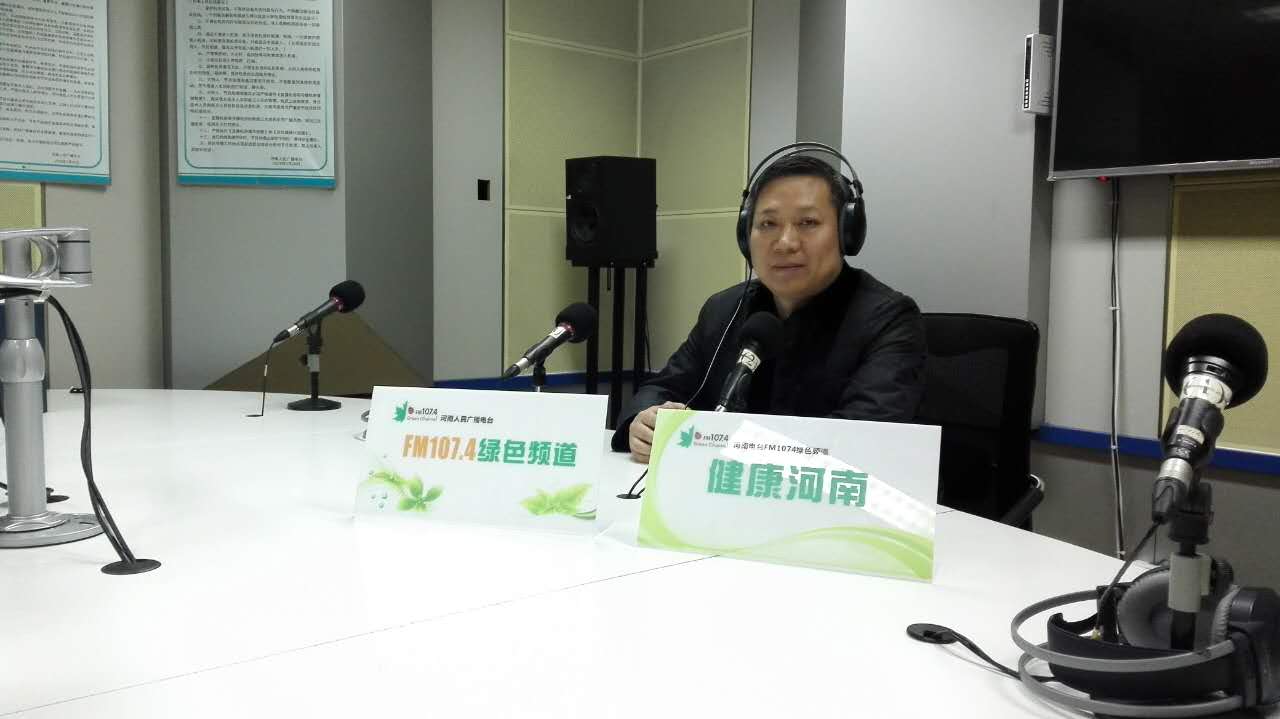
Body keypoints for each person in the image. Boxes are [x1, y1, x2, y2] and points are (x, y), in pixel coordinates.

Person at [613, 150, 926, 463]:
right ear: (745, 236)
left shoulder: (888, 320)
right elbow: (661, 388)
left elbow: (862, 439)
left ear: (847, 233)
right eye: (768, 224)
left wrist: (723, 445)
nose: (786, 242)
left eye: (808, 222)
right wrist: (643, 421)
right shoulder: (724, 309)